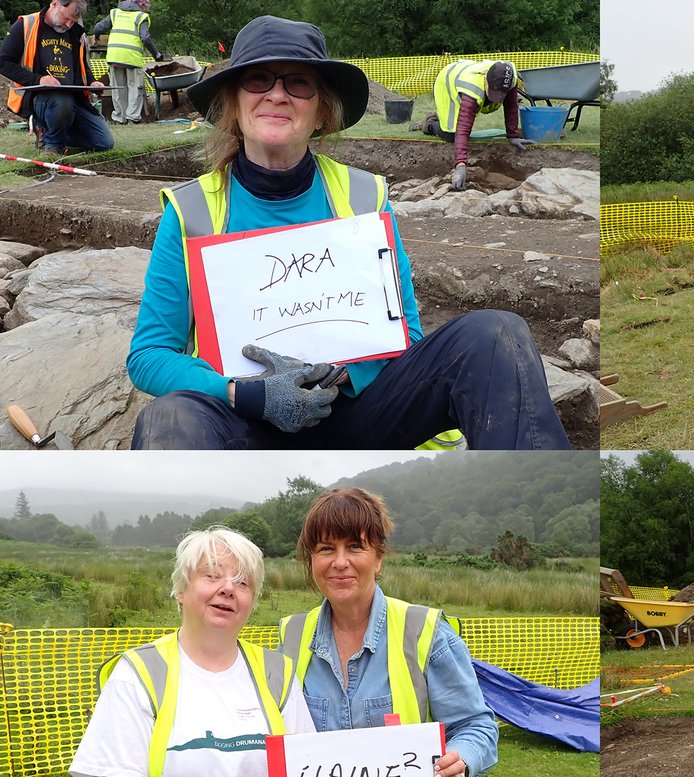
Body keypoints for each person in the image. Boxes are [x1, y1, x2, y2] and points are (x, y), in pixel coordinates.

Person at [127, 16, 570, 450]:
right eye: (258, 80)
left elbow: (407, 338)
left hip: (358, 417)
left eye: (298, 83)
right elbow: (149, 355)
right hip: (248, 425)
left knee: (495, 334)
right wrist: (246, 394)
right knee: (170, 416)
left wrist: (339, 375)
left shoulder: (364, 196)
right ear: (232, 107)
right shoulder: (190, 211)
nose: (277, 95)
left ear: (322, 112)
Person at [69, 527, 315, 777]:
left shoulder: (277, 674)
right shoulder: (139, 674)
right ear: (180, 590)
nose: (229, 588)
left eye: (243, 582)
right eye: (212, 575)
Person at [278, 487, 498, 777]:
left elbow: (477, 726)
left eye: (355, 547)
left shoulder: (426, 631)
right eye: (326, 548)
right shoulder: (291, 636)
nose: (340, 562)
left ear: (378, 557)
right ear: (311, 561)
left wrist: (463, 759)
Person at [0, 0, 115, 156]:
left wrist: (92, 81)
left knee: (104, 143)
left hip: (73, 98)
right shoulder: (26, 25)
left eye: (73, 21)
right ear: (54, 4)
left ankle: (52, 131)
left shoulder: (76, 32)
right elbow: (3, 62)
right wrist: (38, 80)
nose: (68, 24)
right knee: (61, 101)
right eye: (65, 18)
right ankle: (53, 146)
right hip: (40, 98)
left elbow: (81, 65)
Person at [428, 58, 534, 190]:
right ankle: (430, 123)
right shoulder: (471, 89)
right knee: (451, 134)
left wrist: (513, 135)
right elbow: (463, 129)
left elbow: (511, 105)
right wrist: (460, 165)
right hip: (447, 82)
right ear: (485, 80)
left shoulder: (510, 77)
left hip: (467, 72)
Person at [92, 0, 165, 125]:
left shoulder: (115, 13)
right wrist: (157, 55)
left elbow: (98, 27)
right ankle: (133, 117)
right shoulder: (141, 16)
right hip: (132, 58)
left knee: (118, 88)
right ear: (142, 4)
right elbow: (145, 38)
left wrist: (97, 37)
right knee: (135, 87)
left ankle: (120, 118)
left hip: (115, 56)